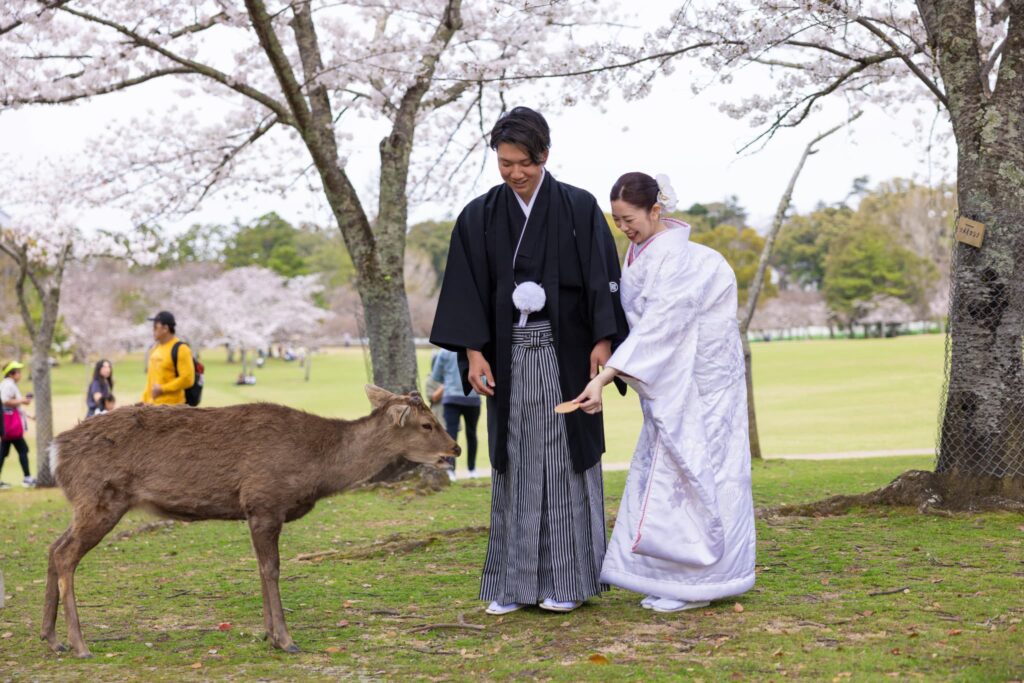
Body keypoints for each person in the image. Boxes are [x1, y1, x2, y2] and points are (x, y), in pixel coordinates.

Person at [430, 106, 629, 615]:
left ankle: (567, 579)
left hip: (566, 355)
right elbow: (466, 290)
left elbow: (602, 281)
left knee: (565, 460)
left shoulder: (579, 208)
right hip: (507, 358)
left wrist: (604, 342)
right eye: (505, 163)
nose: (515, 173)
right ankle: (514, 583)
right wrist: (473, 353)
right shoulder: (480, 215)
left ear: (544, 155)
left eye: (525, 162)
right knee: (515, 463)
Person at [574, 172, 756, 614]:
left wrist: (604, 377)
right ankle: (672, 578)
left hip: (702, 382)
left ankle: (702, 581)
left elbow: (660, 327)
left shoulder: (688, 261)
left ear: (656, 210)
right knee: (666, 473)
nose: (624, 228)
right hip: (672, 377)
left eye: (629, 218)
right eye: (616, 221)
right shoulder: (642, 255)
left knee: (701, 473)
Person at [431, 348, 481, 481]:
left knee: (451, 435)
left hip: (451, 398)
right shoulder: (476, 348)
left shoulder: (444, 351)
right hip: (473, 397)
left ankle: (451, 471)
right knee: (472, 434)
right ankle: (472, 470)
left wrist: (448, 379)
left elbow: (436, 376)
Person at [142, 311, 195, 405]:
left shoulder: (181, 349)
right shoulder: (155, 349)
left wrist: (162, 389)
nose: (153, 330)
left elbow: (188, 379)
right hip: (151, 408)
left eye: (155, 327)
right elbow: (151, 380)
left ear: (165, 328)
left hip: (172, 410)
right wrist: (144, 401)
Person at [1, 361, 37, 488]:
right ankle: (27, 478)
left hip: (8, 425)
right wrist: (22, 400)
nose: (20, 375)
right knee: (23, 449)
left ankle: (27, 478)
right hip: (11, 426)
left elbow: (16, 407)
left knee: (3, 452)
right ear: (11, 373)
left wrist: (29, 416)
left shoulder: (9, 384)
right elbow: (5, 400)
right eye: (18, 372)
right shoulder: (8, 385)